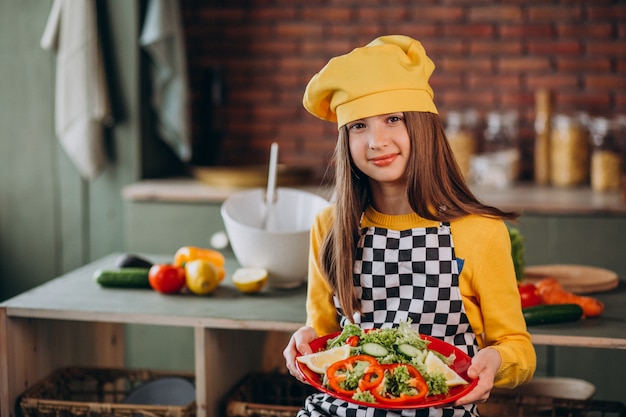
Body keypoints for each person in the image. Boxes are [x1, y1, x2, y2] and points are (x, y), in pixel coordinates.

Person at [282, 35, 536, 417]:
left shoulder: (478, 231)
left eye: (393, 119)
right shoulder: (330, 225)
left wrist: (497, 360)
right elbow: (322, 334)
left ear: (422, 126)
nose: (376, 141)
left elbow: (517, 346)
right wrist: (305, 342)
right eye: (359, 126)